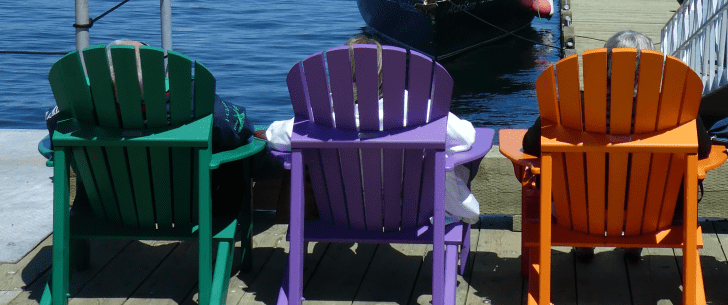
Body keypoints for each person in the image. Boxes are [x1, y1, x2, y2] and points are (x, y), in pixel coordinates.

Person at [521, 30, 711, 263]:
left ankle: (583, 244)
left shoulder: (569, 109)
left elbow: (530, 145)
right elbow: (703, 151)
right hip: (655, 214)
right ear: (654, 68)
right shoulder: (676, 111)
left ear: (605, 65)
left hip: (576, 214)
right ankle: (634, 245)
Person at [259, 35, 482, 225]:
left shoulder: (323, 111)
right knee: (457, 160)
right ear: (384, 71)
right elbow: (465, 137)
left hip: (342, 213)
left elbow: (275, 137)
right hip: (408, 211)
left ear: (339, 73)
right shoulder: (412, 105)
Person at [39, 39, 263, 216]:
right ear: (156, 71)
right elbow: (239, 128)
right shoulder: (197, 99)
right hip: (189, 207)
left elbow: (53, 134)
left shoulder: (76, 106)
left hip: (108, 207)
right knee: (233, 153)